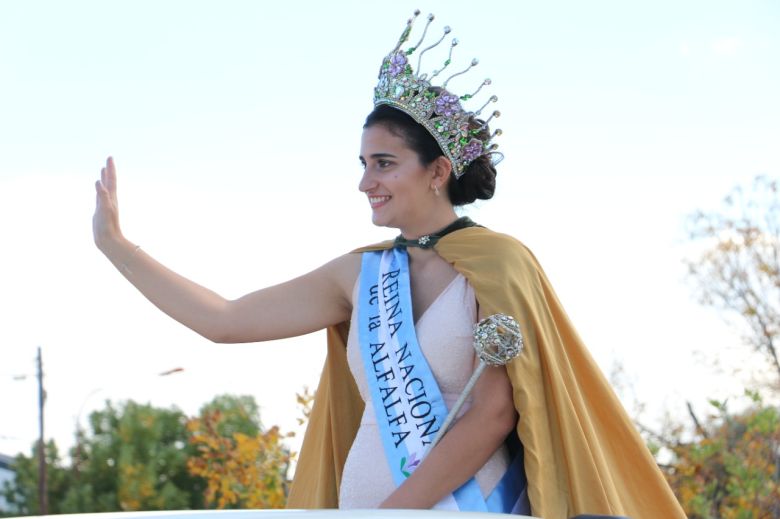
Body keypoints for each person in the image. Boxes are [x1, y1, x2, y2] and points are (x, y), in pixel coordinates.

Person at [93, 11, 685, 519]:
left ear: (437, 170)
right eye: (363, 163)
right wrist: (118, 247)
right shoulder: (360, 275)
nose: (364, 182)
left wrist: (395, 514)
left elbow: (495, 412)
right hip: (367, 511)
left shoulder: (499, 264)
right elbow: (225, 320)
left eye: (383, 164)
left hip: (458, 510)